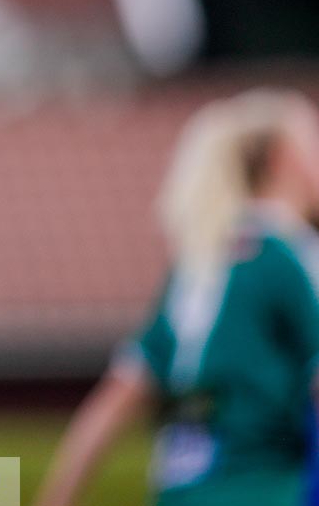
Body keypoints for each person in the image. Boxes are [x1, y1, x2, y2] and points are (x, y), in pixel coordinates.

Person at [36, 88, 319, 506]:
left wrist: (56, 496)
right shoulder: (291, 255)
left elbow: (120, 394)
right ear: (283, 159)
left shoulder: (199, 263)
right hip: (266, 489)